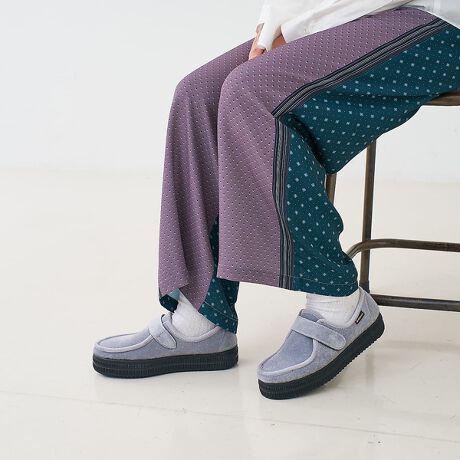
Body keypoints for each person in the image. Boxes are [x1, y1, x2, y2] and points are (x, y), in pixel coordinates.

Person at [92, 0, 460, 399]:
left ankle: (337, 302)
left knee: (253, 90)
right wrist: (272, 22)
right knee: (198, 94)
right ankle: (200, 316)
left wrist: (301, 23)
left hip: (440, 18)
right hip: (351, 11)